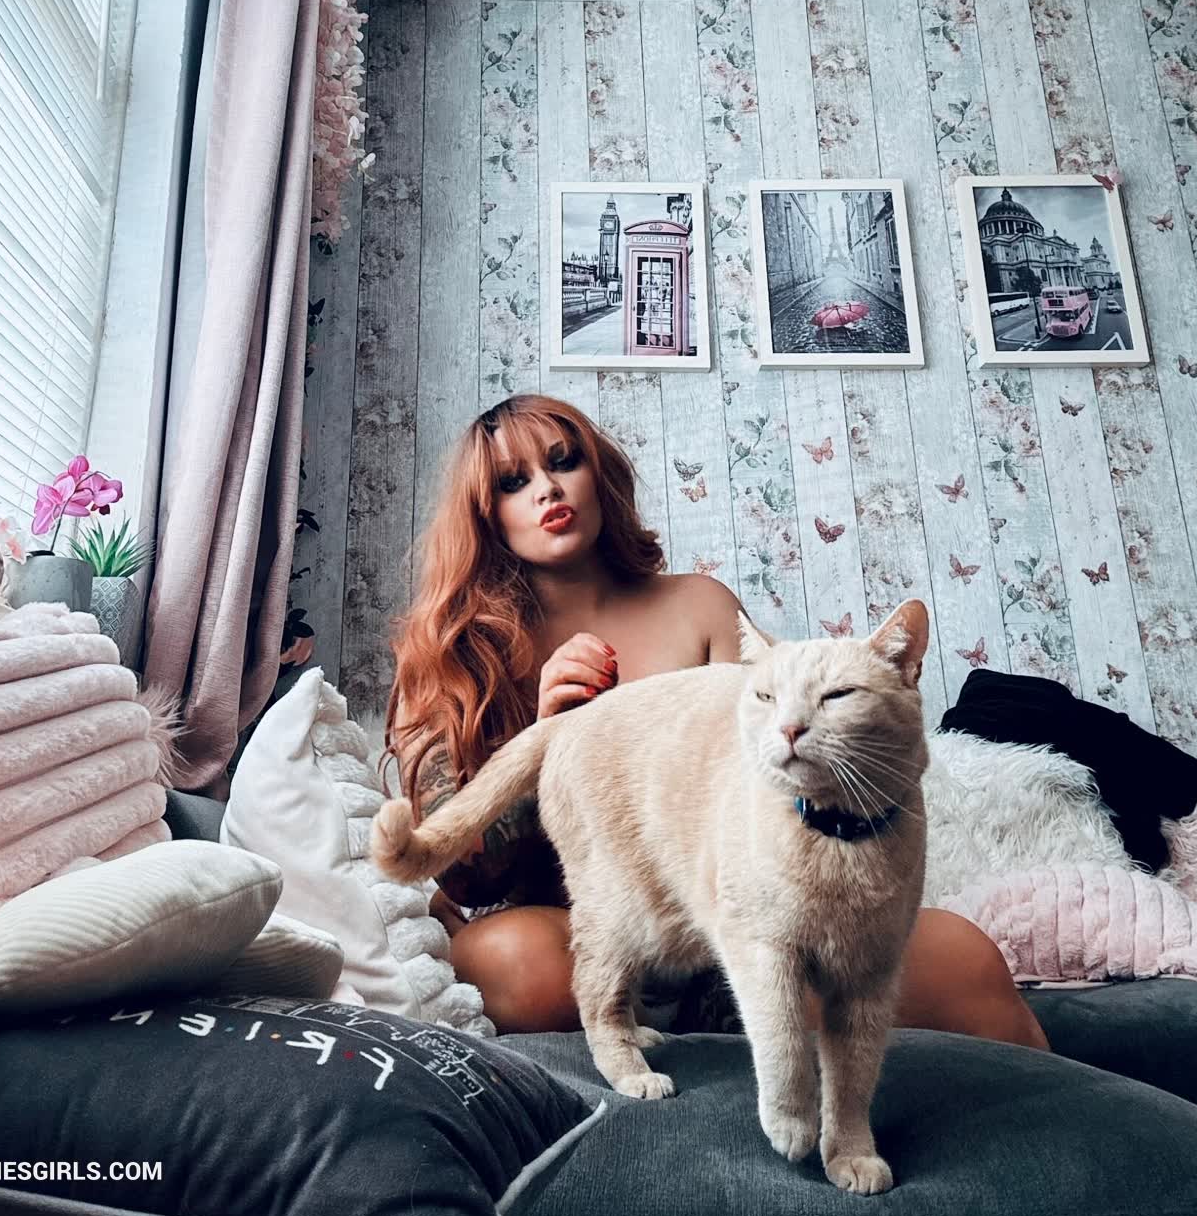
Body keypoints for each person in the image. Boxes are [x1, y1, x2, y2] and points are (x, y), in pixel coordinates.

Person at [384, 393, 1048, 1051]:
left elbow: (781, 787)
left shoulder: (699, 606)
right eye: (513, 482)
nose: (547, 489)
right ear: (485, 512)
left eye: (564, 461)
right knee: (517, 963)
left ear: (598, 473)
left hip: (730, 915)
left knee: (963, 955)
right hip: (561, 927)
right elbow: (464, 878)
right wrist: (549, 735)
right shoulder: (452, 651)